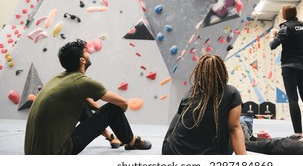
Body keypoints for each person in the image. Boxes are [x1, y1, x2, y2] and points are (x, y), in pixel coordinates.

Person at [24, 39, 152, 154]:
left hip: (33, 151)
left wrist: (99, 114)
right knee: (113, 109)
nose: (89, 53)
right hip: (59, 152)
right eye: (86, 52)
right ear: (82, 60)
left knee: (83, 103)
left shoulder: (58, 79)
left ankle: (111, 136)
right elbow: (123, 103)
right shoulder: (82, 82)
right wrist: (114, 116)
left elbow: (89, 104)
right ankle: (131, 141)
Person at [162, 54, 246, 155]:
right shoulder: (231, 93)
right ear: (222, 72)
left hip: (173, 151)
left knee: (180, 115)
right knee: (236, 126)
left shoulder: (190, 93)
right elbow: (234, 128)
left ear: (199, 73)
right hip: (210, 154)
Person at [269, 5, 303, 135]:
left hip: (289, 66)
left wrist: (272, 34)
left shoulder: (285, 27)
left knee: (293, 99)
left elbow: (272, 45)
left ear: (285, 14)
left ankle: (298, 134)